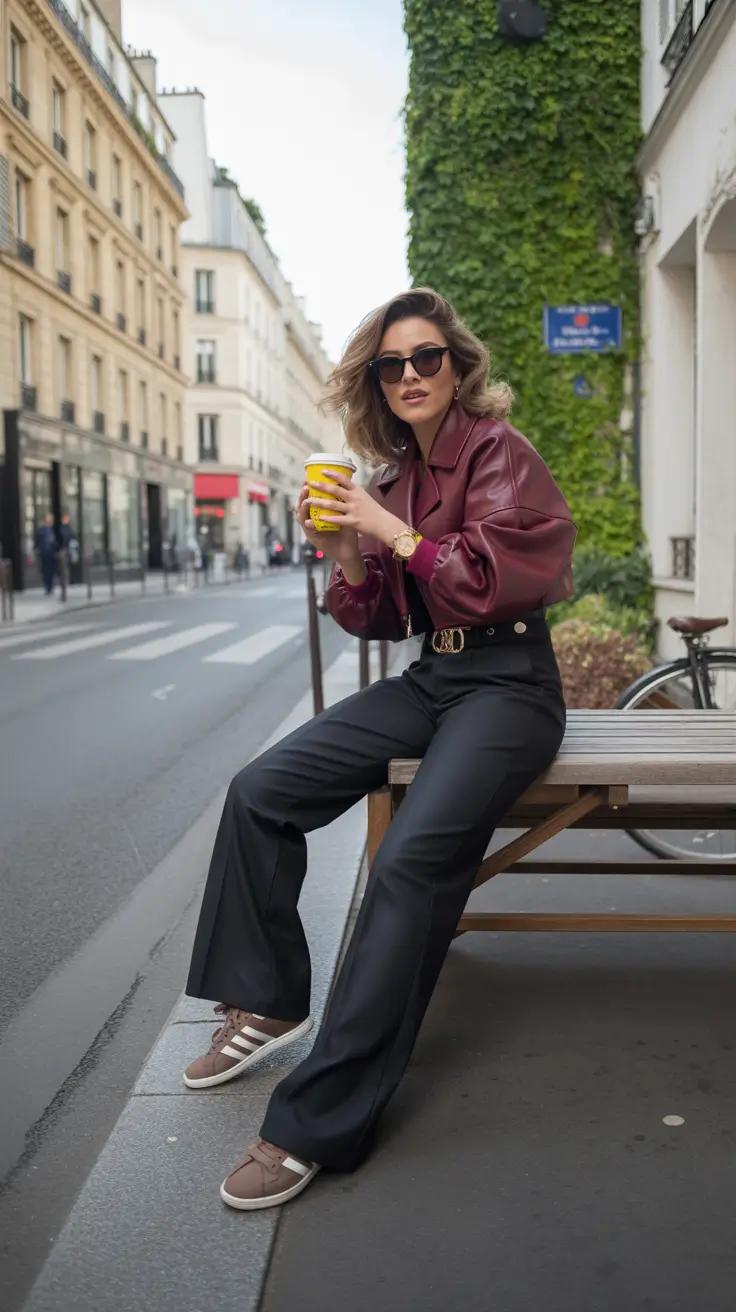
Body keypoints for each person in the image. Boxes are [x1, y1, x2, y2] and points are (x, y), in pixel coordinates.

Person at [182, 288, 577, 1212]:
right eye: (389, 365)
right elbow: (379, 614)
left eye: (426, 358)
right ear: (376, 382)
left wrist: (387, 527)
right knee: (260, 787)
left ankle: (313, 1122)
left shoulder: (498, 453)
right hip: (433, 681)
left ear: (457, 366)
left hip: (510, 686)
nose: (409, 376)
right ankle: (269, 998)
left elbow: (495, 579)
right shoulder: (393, 473)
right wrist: (345, 548)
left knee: (408, 863)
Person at [35, 513, 57, 595]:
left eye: (51, 520)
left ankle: (50, 586)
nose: (50, 522)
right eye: (49, 520)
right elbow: (38, 542)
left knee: (51, 571)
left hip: (51, 554)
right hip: (44, 554)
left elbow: (55, 542)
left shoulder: (52, 530)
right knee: (46, 571)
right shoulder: (41, 531)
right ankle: (47, 586)